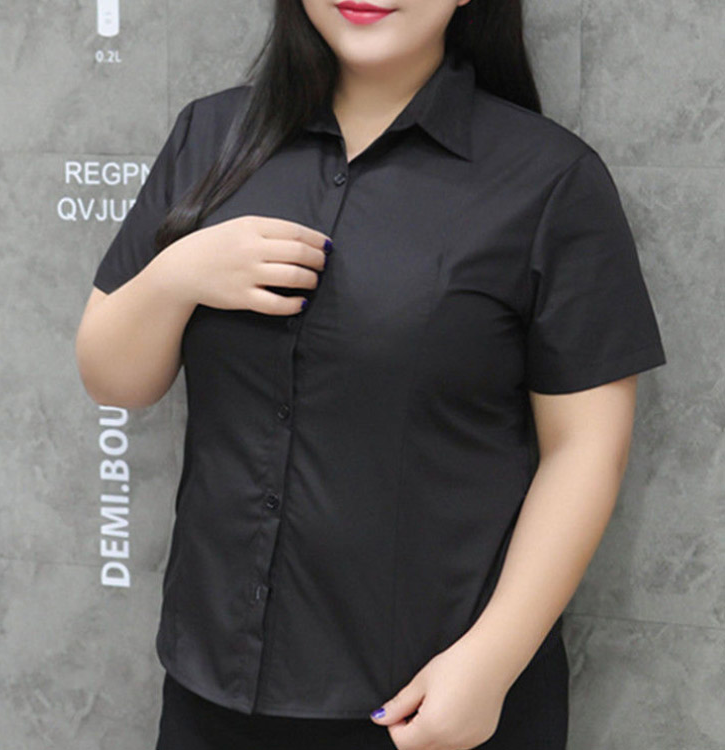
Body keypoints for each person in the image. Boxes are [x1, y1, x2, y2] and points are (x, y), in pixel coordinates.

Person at [75, 0, 668, 748]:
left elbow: (586, 448)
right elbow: (114, 379)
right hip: (213, 692)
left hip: (432, 704)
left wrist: (490, 662)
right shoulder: (210, 136)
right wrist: (178, 275)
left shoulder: (550, 178)